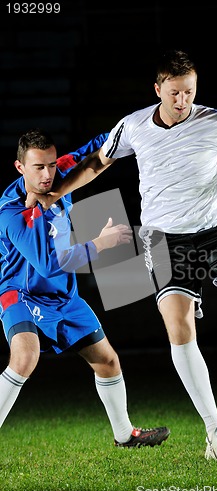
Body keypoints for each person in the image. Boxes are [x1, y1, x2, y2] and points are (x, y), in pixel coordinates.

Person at [25, 50, 217, 460]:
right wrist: (55, 195)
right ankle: (214, 431)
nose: (182, 101)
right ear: (158, 89)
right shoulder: (133, 126)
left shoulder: (216, 121)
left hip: (214, 230)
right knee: (179, 326)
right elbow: (95, 164)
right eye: (174, 93)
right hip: (163, 242)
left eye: (189, 91)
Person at [0, 128, 170, 449]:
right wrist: (100, 244)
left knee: (107, 361)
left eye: (51, 165)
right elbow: (50, 263)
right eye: (39, 167)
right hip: (20, 295)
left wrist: (137, 128)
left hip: (63, 296)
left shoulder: (61, 172)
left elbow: (96, 150)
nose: (48, 174)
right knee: (24, 358)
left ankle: (125, 435)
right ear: (20, 168)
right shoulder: (12, 213)